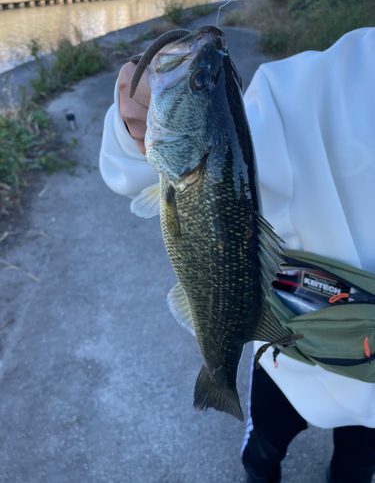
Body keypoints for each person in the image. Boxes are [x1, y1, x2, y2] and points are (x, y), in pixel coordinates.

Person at [99, 27, 375, 483]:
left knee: (359, 461)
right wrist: (133, 121)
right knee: (264, 447)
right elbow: (132, 168)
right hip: (289, 357)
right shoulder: (317, 82)